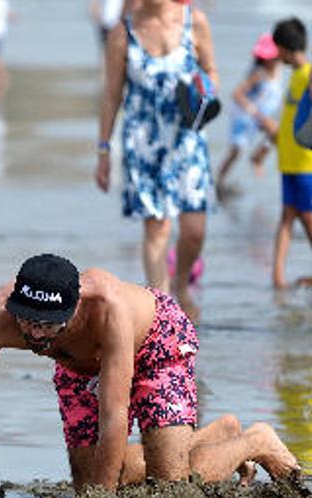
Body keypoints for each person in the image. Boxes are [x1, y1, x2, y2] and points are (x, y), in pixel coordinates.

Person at [0, 254, 301, 490]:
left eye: (47, 324)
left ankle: (255, 442)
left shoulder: (108, 308)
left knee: (170, 485)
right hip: (80, 368)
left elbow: (114, 416)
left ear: (74, 308)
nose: (35, 333)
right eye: (27, 321)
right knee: (89, 483)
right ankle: (216, 432)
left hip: (157, 343)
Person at [96, 0, 218, 316]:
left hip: (187, 139)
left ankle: (180, 284)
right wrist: (104, 150)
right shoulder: (123, 33)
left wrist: (206, 88)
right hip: (143, 142)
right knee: (157, 227)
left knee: (194, 230)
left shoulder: (195, 22)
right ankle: (164, 311)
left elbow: (211, 70)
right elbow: (111, 94)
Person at [270, 18, 312, 290]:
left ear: (284, 49)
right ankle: (277, 277)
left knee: (308, 217)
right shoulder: (297, 76)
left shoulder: (311, 75)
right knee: (287, 215)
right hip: (291, 161)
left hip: (310, 161)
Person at [213, 32, 282, 199]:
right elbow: (236, 94)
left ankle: (257, 157)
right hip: (246, 114)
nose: (270, 61)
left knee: (278, 134)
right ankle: (219, 182)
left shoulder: (278, 69)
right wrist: (254, 112)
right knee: (235, 152)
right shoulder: (258, 73)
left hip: (264, 112)